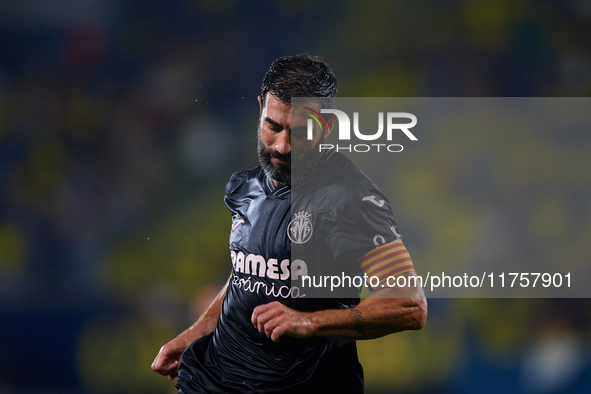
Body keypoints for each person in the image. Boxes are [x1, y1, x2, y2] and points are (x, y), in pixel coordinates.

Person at [151, 54, 427, 393]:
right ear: (260, 110)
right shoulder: (245, 186)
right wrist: (192, 335)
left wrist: (308, 321)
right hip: (214, 378)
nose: (281, 145)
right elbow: (247, 277)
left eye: (299, 132)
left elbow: (410, 304)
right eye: (273, 126)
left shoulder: (350, 199)